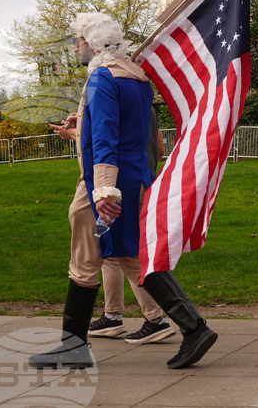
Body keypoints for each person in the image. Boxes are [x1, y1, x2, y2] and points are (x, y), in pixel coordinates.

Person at [29, 13, 216, 370]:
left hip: (107, 183)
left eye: (78, 41)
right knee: (133, 256)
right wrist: (82, 117)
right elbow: (126, 127)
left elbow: (105, 139)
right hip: (134, 177)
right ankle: (194, 327)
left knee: (85, 262)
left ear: (94, 45)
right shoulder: (137, 78)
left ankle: (74, 347)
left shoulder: (102, 78)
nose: (75, 47)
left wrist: (102, 190)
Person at [50, 108, 175, 344]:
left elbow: (105, 145)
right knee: (114, 253)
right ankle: (113, 315)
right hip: (141, 183)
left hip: (113, 189)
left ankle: (157, 318)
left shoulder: (110, 101)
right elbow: (159, 150)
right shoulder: (147, 107)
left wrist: (75, 133)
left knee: (124, 254)